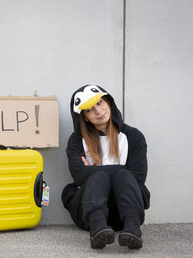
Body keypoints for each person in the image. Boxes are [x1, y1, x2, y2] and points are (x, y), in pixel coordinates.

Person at [61, 84, 150, 249]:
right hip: (88, 213)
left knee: (122, 177)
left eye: (100, 102)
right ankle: (98, 231)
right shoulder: (76, 140)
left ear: (109, 102)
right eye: (89, 109)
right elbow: (79, 176)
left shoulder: (133, 137)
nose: (98, 110)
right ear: (85, 117)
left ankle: (132, 230)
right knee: (101, 177)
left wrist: (92, 170)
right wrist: (121, 168)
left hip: (123, 211)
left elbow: (137, 178)